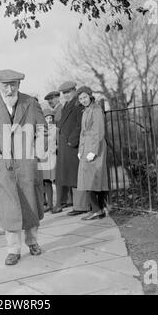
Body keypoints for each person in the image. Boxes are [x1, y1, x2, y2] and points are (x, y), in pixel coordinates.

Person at [0, 69, 46, 266]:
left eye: (14, 84)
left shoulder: (30, 103)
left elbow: (43, 131)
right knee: (8, 209)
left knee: (30, 204)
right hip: (2, 167)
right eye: (5, 85)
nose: (10, 89)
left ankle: (33, 242)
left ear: (19, 85)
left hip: (26, 165)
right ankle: (13, 250)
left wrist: (36, 154)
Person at [53, 81, 89, 215]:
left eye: (68, 92)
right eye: (64, 93)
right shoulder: (67, 104)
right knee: (71, 176)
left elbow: (80, 125)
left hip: (73, 146)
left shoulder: (78, 104)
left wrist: (71, 141)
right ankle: (77, 205)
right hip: (66, 146)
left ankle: (81, 206)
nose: (66, 95)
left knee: (76, 176)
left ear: (74, 90)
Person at [77, 86, 109, 220]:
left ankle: (98, 209)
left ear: (90, 96)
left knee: (94, 179)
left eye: (84, 97)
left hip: (95, 148)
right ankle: (96, 209)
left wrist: (93, 151)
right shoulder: (85, 111)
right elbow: (82, 132)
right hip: (86, 148)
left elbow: (99, 131)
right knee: (87, 180)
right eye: (80, 98)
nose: (83, 100)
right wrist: (80, 150)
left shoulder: (96, 110)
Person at [41, 108, 57, 213]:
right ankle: (49, 204)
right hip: (44, 159)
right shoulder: (41, 130)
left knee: (55, 181)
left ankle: (57, 203)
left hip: (53, 158)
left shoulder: (56, 129)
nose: (49, 120)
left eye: (50, 118)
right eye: (46, 118)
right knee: (46, 182)